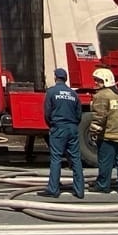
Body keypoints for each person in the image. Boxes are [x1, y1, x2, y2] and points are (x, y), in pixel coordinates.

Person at [86, 66, 118, 197]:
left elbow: (99, 116)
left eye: (98, 80)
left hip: (108, 136)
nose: (95, 83)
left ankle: (103, 186)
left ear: (106, 80)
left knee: (105, 163)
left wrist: (93, 132)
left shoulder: (101, 95)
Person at [41, 65, 84, 199]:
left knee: (56, 159)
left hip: (58, 127)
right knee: (76, 159)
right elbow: (79, 114)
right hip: (72, 128)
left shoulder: (51, 92)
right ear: (65, 79)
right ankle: (79, 190)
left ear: (55, 78)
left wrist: (52, 125)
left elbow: (47, 112)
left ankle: (53, 189)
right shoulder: (73, 94)